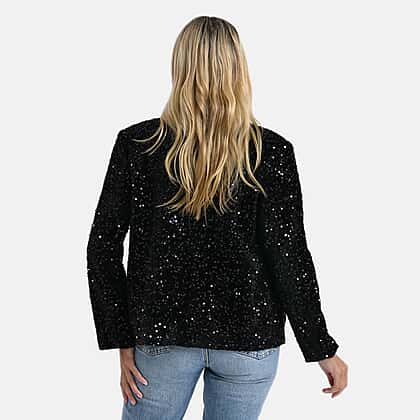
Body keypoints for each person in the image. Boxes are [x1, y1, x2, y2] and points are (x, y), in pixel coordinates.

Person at [86, 15, 348, 420]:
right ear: (239, 69)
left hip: (161, 339)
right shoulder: (271, 152)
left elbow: (102, 249)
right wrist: (321, 347)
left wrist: (121, 338)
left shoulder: (138, 146)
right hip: (249, 342)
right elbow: (288, 257)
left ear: (179, 66)